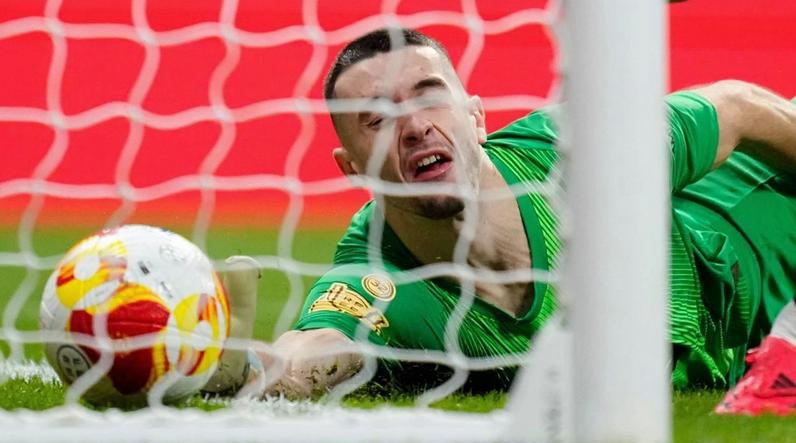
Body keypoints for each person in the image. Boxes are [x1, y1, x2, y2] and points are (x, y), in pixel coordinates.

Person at [209, 28, 796, 415]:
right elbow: (314, 350)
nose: (415, 126)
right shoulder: (383, 281)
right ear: (352, 167)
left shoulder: (576, 151)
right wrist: (221, 365)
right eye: (376, 118)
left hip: (764, 216)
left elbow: (742, 108)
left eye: (429, 95)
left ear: (476, 118)